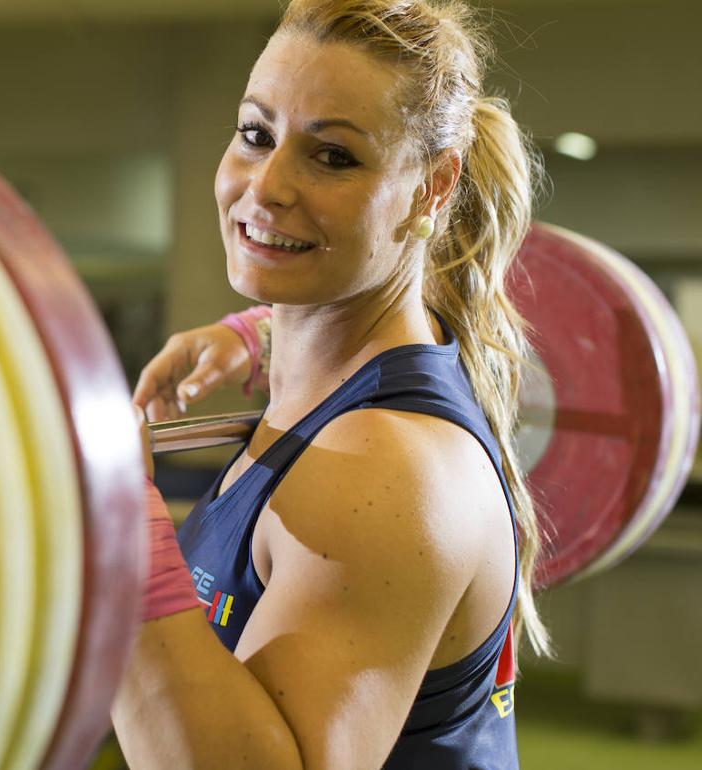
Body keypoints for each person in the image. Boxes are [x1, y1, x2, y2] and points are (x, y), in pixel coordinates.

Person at [114, 1, 551, 767]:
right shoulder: (353, 397)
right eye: (256, 134)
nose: (267, 185)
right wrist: (254, 335)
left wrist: (114, 542)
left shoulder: (383, 464)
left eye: (334, 158)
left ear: (431, 188)